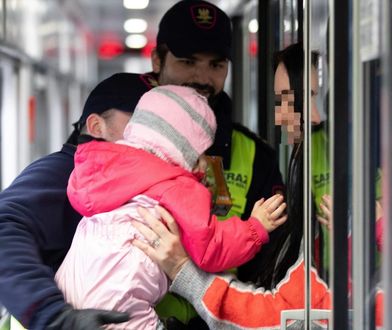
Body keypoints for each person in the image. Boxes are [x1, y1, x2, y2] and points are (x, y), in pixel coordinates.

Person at [55, 85, 287, 330]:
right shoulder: (177, 187)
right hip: (121, 307)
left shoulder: (103, 169)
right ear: (186, 149)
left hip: (70, 300)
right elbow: (211, 248)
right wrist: (255, 227)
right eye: (202, 152)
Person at [145, 0, 284, 324]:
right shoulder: (119, 137)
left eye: (216, 65)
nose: (202, 78)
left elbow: (267, 270)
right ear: (157, 60)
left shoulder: (254, 155)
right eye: (188, 61)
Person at [0, 73, 152, 329]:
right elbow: (4, 227)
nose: (153, 134)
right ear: (95, 127)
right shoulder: (62, 172)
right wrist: (56, 318)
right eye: (142, 121)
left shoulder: (124, 182)